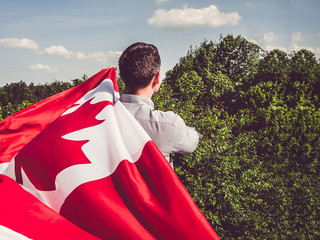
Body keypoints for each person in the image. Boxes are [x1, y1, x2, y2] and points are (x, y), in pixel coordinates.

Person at [118, 42, 201, 168]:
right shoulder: (168, 124)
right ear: (157, 77)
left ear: (122, 78)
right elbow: (192, 143)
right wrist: (187, 129)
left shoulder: (102, 117)